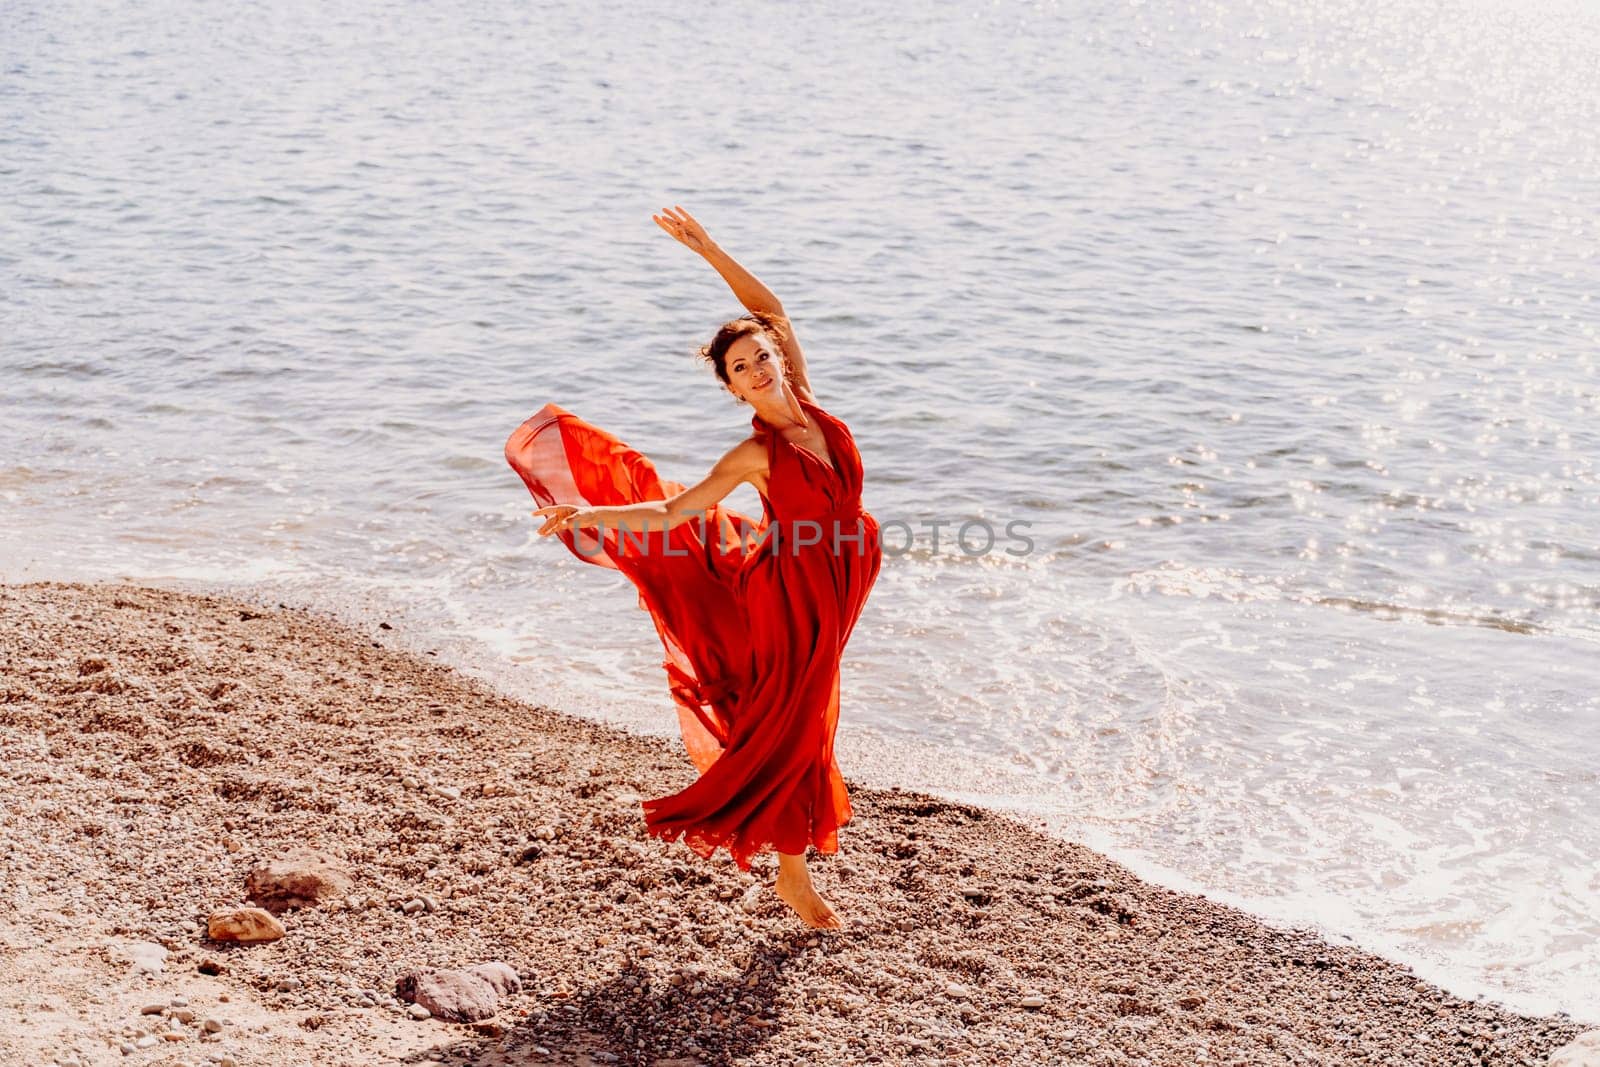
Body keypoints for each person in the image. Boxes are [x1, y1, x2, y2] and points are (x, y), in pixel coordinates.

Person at [503, 206, 882, 929]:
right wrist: (588, 518)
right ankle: (791, 872)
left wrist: (708, 247)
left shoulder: (810, 405)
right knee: (797, 719)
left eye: (761, 356)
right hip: (792, 588)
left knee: (807, 715)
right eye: (741, 369)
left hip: (842, 576)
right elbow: (672, 515)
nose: (757, 368)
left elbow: (768, 309)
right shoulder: (755, 455)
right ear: (734, 390)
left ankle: (789, 858)